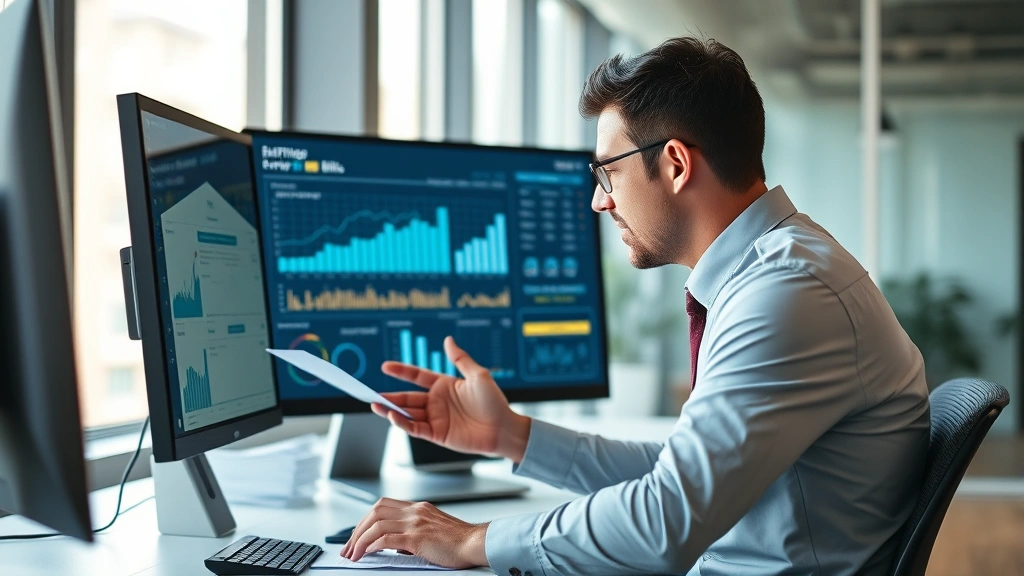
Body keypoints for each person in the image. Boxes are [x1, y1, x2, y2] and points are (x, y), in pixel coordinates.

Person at [340, 36, 930, 576]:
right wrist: (514, 436)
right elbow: (682, 475)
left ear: (675, 164)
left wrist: (474, 541)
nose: (599, 201)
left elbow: (666, 521)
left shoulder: (786, 293)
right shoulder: (772, 274)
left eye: (608, 172)